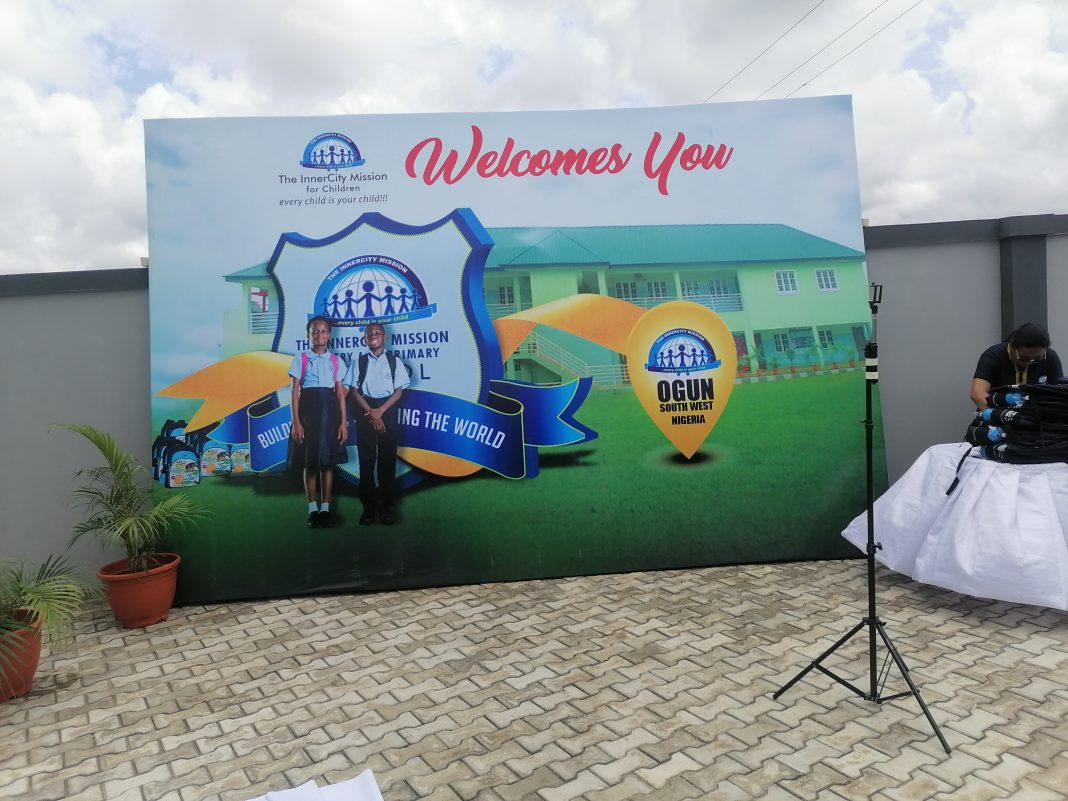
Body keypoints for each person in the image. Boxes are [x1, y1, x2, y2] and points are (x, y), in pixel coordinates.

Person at [345, 322, 409, 526]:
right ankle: (368, 509)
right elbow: (354, 391)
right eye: (369, 333)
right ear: (364, 338)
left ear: (384, 337)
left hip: (387, 411)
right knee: (366, 462)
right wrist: (372, 413)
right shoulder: (359, 362)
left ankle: (386, 508)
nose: (373, 335)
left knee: (387, 462)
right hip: (365, 411)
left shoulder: (394, 361)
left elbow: (398, 392)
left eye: (377, 332)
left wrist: (380, 411)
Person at [288, 316, 348, 528]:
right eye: (315, 331)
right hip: (307, 413)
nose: (319, 334)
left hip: (329, 414)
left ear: (329, 335)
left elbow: (340, 394)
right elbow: (294, 392)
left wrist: (343, 422)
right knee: (310, 461)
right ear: (308, 335)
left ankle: (326, 508)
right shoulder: (301, 359)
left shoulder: (336, 361)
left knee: (326, 462)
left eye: (323, 331)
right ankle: (312, 509)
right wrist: (296, 422)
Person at [971, 322, 1063, 410]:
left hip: (1034, 415)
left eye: (1037, 359)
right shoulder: (993, 356)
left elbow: (1060, 395)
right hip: (996, 411)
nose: (1030, 362)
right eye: (1024, 358)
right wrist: (994, 414)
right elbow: (977, 394)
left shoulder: (1050, 358)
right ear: (1012, 346)